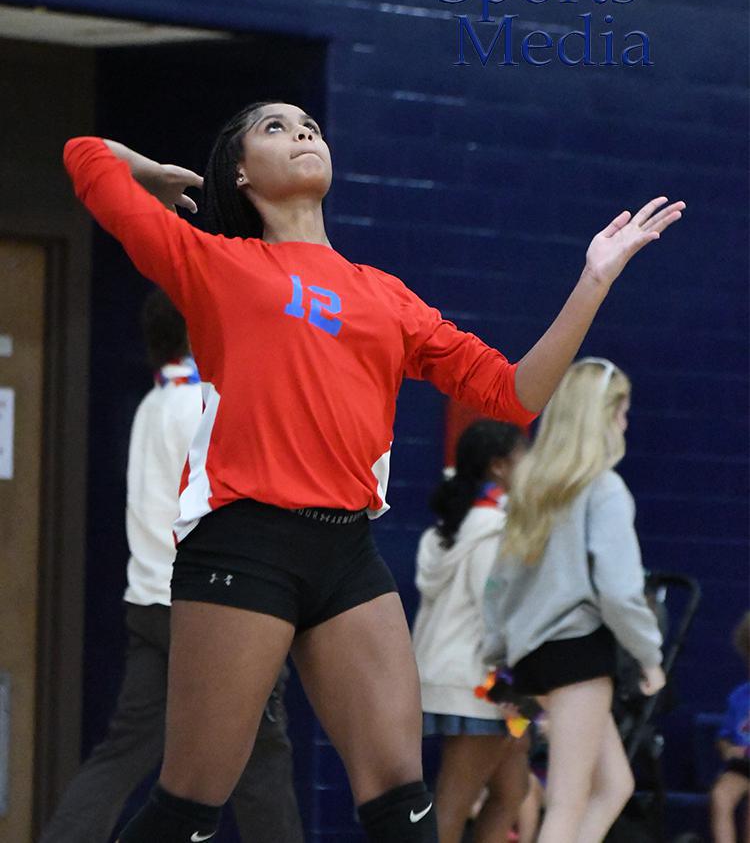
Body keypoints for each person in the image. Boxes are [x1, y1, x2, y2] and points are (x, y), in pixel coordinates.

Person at [62, 100, 684, 843]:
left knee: (402, 800)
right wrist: (144, 168)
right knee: (193, 801)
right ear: (239, 169)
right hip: (243, 543)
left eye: (311, 127)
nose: (302, 134)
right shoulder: (215, 262)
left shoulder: (386, 296)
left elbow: (517, 394)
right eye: (276, 127)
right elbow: (83, 157)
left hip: (347, 551)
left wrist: (594, 280)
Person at [39, 290, 303, 843]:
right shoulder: (200, 406)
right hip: (210, 611)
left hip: (149, 602)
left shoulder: (152, 404)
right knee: (261, 763)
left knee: (122, 755)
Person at [482, 357, 666, 843]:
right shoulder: (604, 489)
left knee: (615, 785)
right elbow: (621, 591)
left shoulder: (531, 491)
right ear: (603, 415)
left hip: (534, 658)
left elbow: (498, 585)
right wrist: (650, 656)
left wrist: (495, 653)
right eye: (623, 412)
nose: (626, 424)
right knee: (567, 802)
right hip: (578, 653)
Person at [412, 419, 531, 843]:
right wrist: (514, 687)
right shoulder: (494, 529)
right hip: (477, 683)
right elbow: (495, 614)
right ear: (499, 467)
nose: (531, 464)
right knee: (452, 806)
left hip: (455, 676)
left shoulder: (457, 525)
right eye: (524, 456)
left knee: (511, 791)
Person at [710, 611, 750, 843]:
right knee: (720, 796)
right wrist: (727, 749)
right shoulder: (739, 696)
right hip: (741, 766)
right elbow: (724, 735)